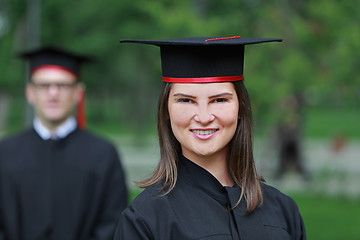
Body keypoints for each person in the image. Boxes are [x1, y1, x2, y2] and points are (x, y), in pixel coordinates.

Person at [115, 36, 306, 240]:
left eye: (219, 100)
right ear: (166, 110)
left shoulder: (283, 211)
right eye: (186, 100)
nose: (204, 117)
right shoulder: (146, 219)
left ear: (240, 107)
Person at [0, 46, 128, 240]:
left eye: (62, 85)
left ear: (78, 93)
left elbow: (112, 225)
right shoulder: (5, 153)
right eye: (44, 85)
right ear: (30, 93)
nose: (53, 93)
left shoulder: (103, 155)